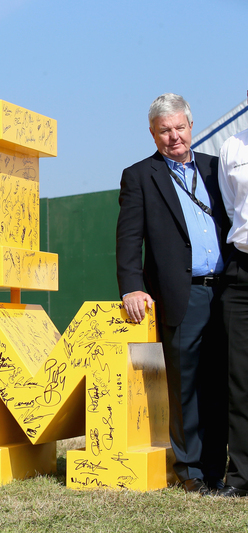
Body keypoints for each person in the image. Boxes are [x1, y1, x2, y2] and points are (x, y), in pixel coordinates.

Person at [116, 93, 228, 494]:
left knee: (222, 384)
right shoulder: (140, 175)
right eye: (164, 130)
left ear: (191, 127)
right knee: (186, 387)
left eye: (179, 127)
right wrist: (131, 285)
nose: (174, 137)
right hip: (183, 295)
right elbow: (129, 239)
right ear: (152, 133)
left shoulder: (218, 169)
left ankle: (219, 469)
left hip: (229, 292)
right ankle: (192, 472)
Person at [215, 89, 248, 497]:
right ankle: (240, 477)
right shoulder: (232, 147)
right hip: (241, 270)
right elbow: (228, 207)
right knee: (240, 380)